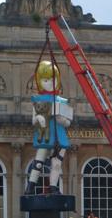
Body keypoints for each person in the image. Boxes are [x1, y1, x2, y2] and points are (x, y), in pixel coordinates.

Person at [25, 60, 72, 194]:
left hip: (60, 134)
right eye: (46, 80)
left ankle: (53, 187)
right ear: (40, 81)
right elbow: (33, 120)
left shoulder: (62, 101)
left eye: (53, 79)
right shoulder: (38, 99)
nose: (50, 83)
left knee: (57, 164)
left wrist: (61, 119)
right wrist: (38, 118)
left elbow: (68, 122)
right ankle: (30, 187)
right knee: (38, 162)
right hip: (44, 133)